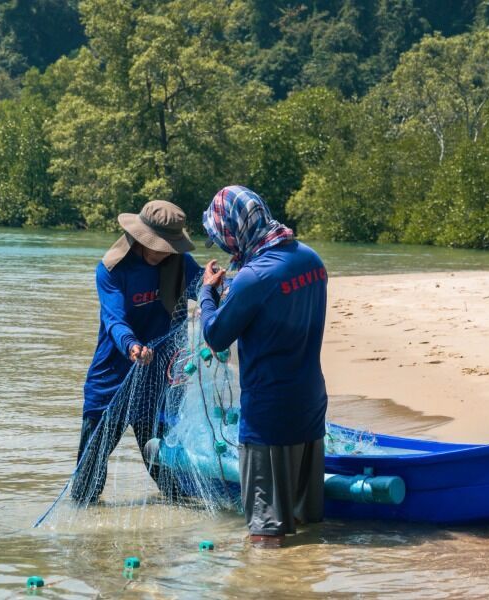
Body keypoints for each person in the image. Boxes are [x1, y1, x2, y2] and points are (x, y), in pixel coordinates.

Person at [199, 185, 328, 546]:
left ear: (234, 228)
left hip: (268, 418)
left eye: (222, 237)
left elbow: (216, 335)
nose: (225, 247)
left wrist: (208, 293)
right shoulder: (312, 261)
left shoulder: (253, 278)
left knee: (266, 535)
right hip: (310, 408)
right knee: (308, 526)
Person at [73, 200, 201, 503]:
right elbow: (114, 320)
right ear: (139, 237)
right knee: (87, 482)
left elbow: (208, 292)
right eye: (158, 245)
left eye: (169, 245)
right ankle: (86, 543)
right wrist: (131, 346)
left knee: (169, 475)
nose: (163, 251)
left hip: (160, 380)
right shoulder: (112, 269)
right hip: (113, 381)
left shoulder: (179, 263)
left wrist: (219, 283)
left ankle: (180, 531)